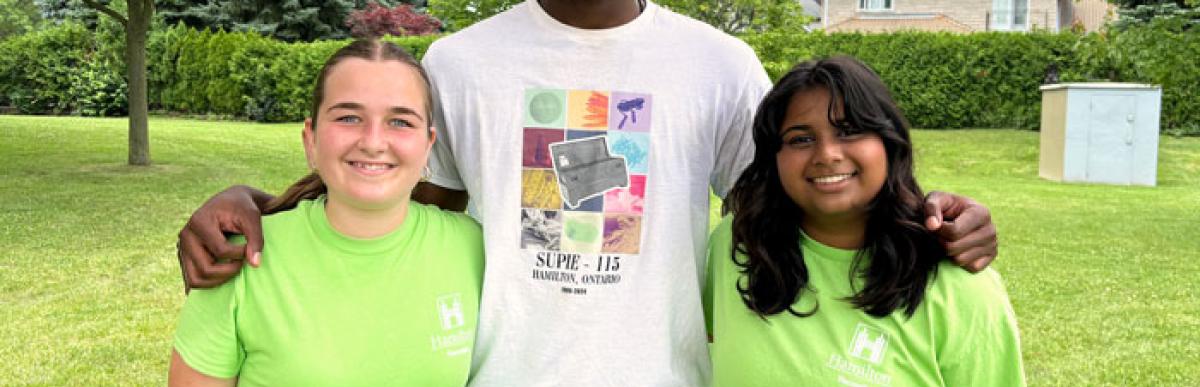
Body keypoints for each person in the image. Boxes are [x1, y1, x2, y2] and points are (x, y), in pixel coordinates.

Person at [175, 1, 999, 385]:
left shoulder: (718, 65)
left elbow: (807, 193)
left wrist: (929, 212)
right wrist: (253, 196)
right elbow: (388, 186)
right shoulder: (461, 62)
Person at [167, 40, 485, 386]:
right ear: (311, 139)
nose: (373, 142)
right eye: (349, 117)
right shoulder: (238, 257)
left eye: (400, 122)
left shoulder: (474, 250)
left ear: (428, 146)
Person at [706, 56, 1024, 386]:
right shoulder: (737, 247)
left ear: (888, 142)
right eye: (801, 138)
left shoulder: (960, 288)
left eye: (849, 131)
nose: (827, 154)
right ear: (775, 158)